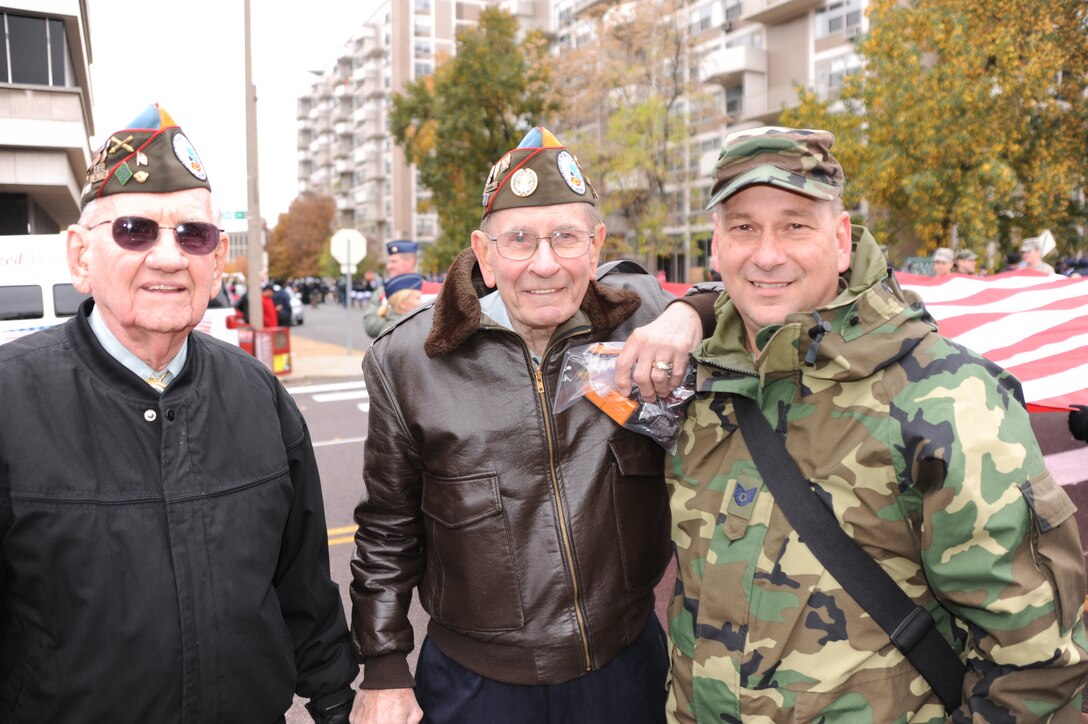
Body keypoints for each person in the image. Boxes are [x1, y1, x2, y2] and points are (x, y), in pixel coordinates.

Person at [666, 126, 1088, 721]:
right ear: (716, 245)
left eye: (794, 224)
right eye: (743, 226)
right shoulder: (697, 380)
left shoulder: (945, 397)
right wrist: (685, 310)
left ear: (841, 241)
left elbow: (1039, 660)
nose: (765, 253)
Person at [0, 104, 357, 722]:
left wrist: (336, 701)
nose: (168, 257)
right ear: (81, 256)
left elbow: (304, 592)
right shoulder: (11, 402)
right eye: (135, 230)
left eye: (192, 235)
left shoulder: (259, 396)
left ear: (217, 263)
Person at [349, 127, 714, 723]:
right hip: (476, 684)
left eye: (565, 238)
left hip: (624, 667)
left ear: (595, 247)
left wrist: (689, 314)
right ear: (485, 255)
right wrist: (384, 667)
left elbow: (769, 286)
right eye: (519, 240)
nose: (545, 264)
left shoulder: (641, 318)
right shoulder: (408, 360)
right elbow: (387, 529)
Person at [364, 272, 425, 338]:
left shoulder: (396, 326)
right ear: (402, 304)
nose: (421, 302)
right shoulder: (399, 330)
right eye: (418, 298)